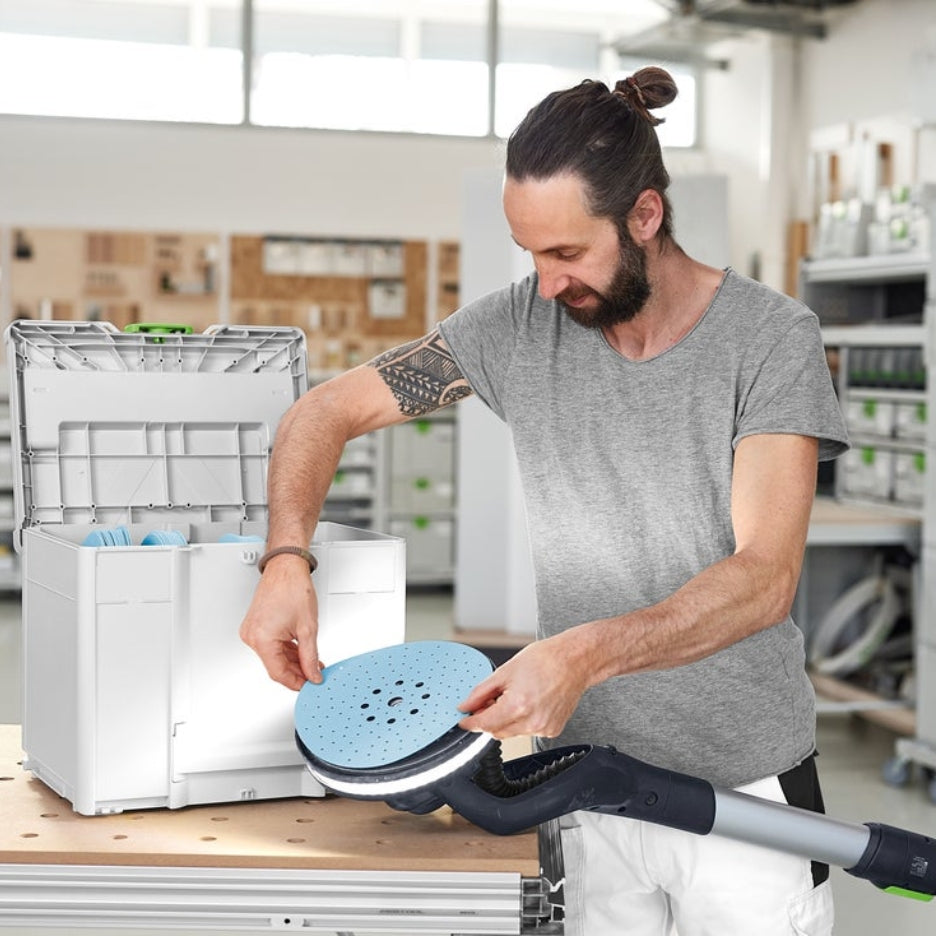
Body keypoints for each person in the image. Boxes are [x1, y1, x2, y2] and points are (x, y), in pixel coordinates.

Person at [240, 66, 849, 936]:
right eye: (530, 252)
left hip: (746, 797)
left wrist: (582, 656)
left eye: (567, 253)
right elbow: (322, 412)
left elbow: (763, 579)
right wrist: (285, 560)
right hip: (587, 782)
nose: (548, 282)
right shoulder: (516, 327)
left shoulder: (769, 339)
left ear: (645, 215)